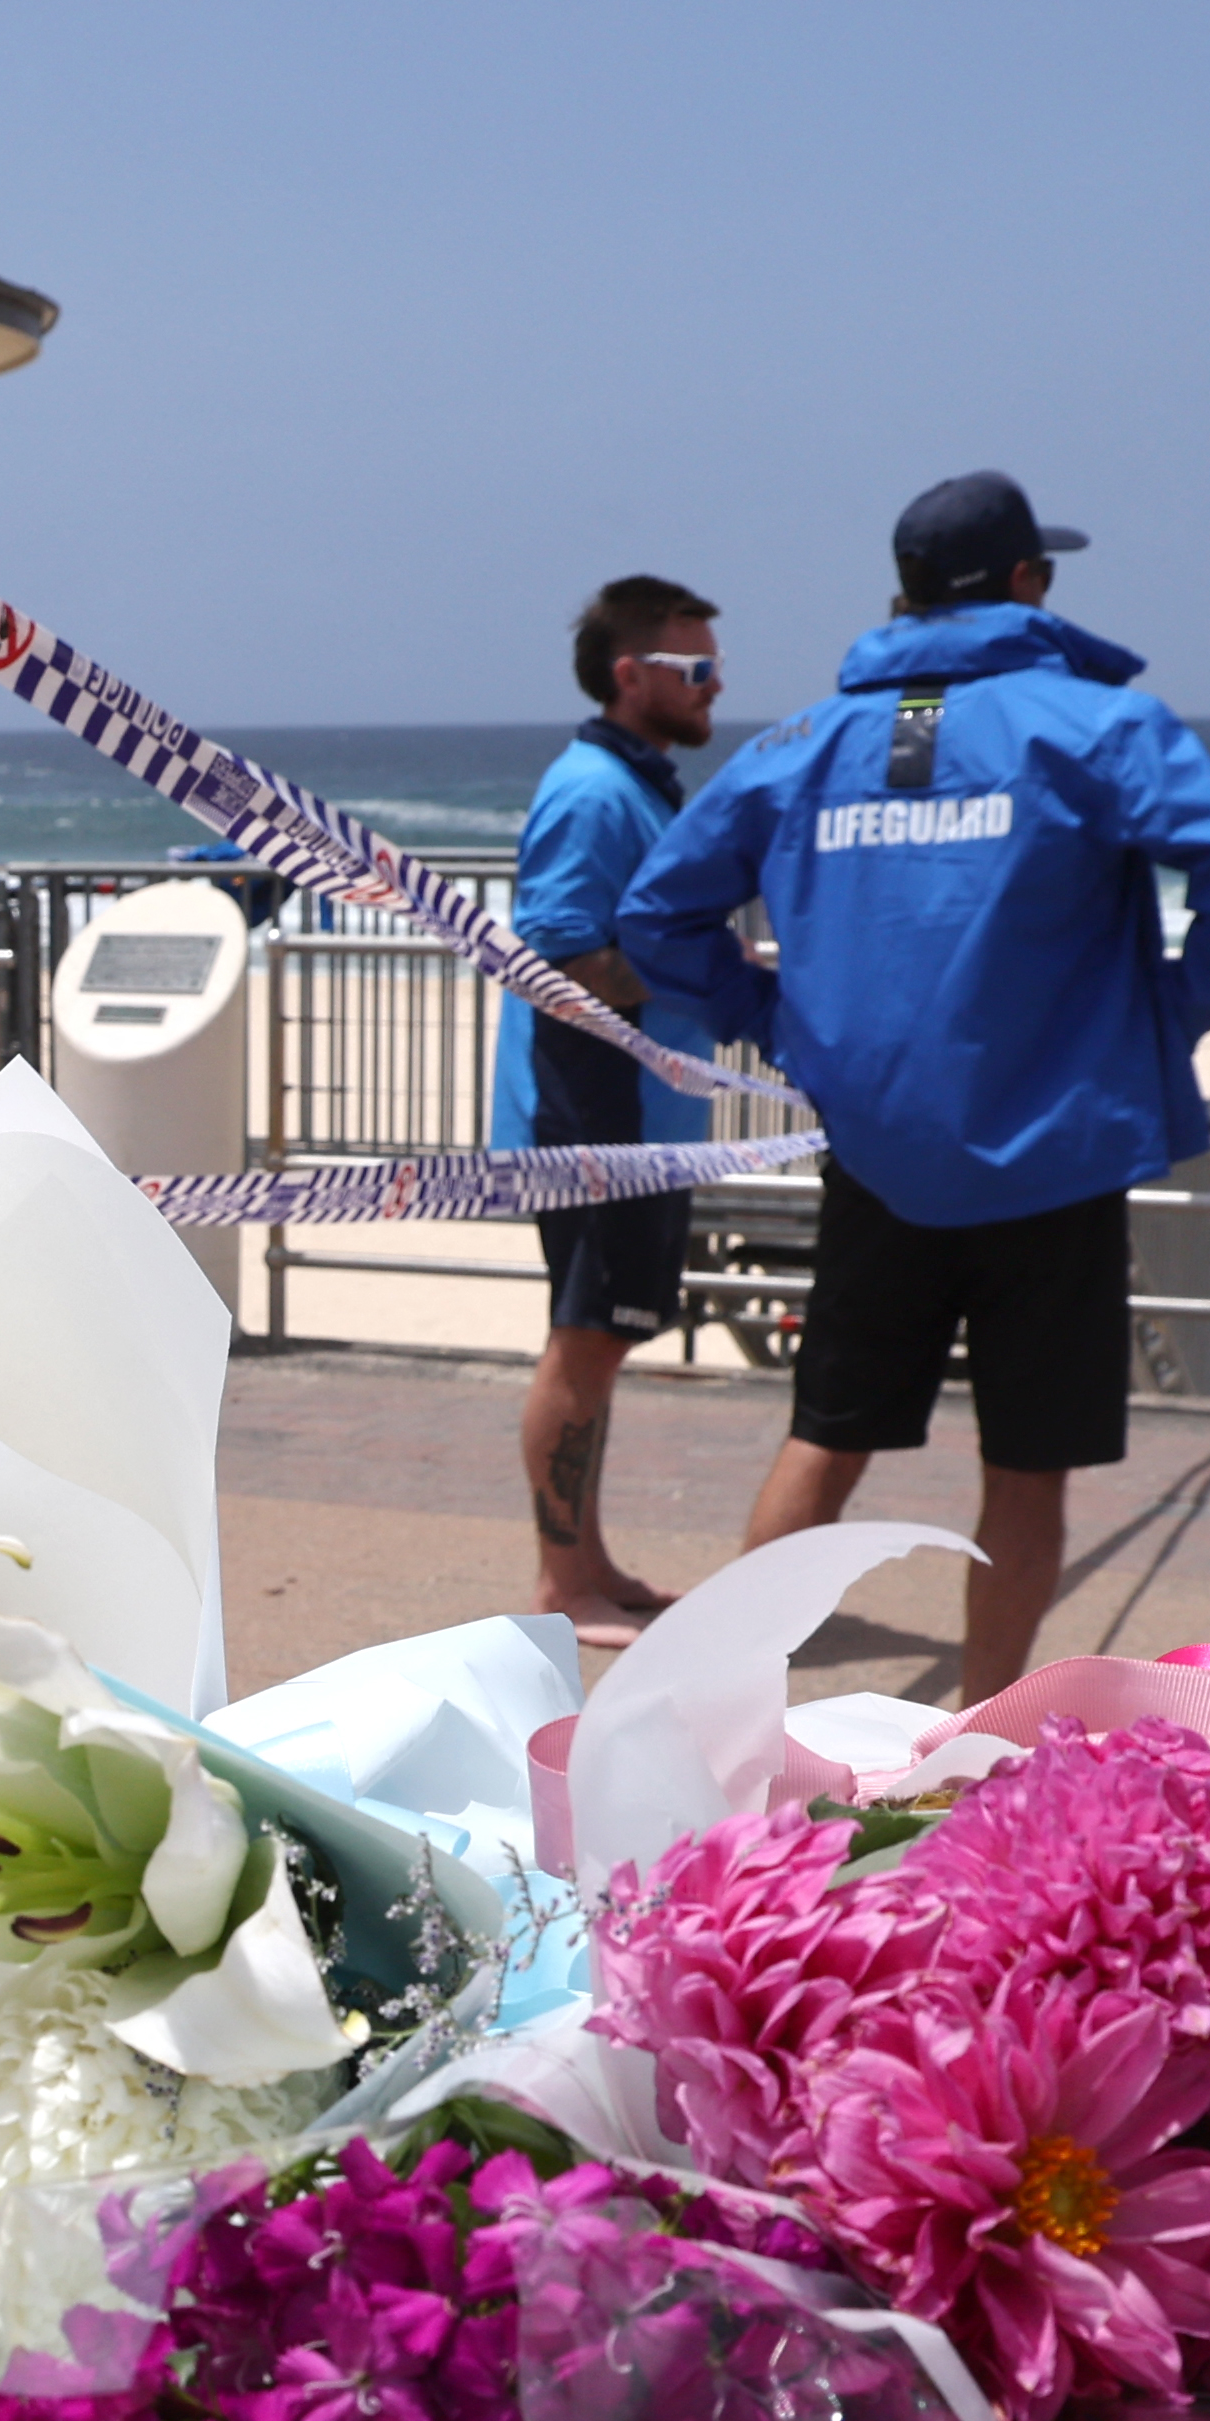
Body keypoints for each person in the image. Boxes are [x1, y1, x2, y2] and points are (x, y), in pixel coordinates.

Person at [619, 473, 1210, 1700]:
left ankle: (703, 1711)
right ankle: (982, 1728)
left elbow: (660, 913)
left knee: (827, 1441)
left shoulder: (801, 743)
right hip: (1054, 1160)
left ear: (905, 596)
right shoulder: (1095, 725)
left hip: (877, 1156)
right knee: (1027, 1467)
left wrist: (776, 1024)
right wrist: (1171, 1012)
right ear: (1028, 583)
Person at [504, 574, 728, 1637]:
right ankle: (561, 1583)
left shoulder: (641, 783)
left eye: (715, 666)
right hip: (600, 1120)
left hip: (644, 1117)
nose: (713, 686)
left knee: (603, 1345)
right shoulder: (595, 790)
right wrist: (702, 970)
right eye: (694, 669)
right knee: (582, 1343)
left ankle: (589, 1562)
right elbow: (552, 958)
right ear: (630, 673)